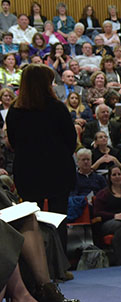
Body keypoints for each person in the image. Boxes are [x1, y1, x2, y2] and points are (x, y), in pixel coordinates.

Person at [6, 64, 76, 250]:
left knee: (31, 222)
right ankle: (60, 265)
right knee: (58, 219)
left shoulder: (15, 110)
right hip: (57, 169)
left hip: (28, 171)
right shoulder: (57, 108)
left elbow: (12, 141)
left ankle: (36, 268)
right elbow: (71, 139)